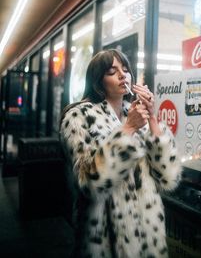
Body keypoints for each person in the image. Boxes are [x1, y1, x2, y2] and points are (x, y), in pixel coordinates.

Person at [60, 49, 182, 258]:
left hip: (148, 239)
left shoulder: (137, 113)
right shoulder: (78, 116)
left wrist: (152, 118)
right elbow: (90, 182)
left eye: (125, 70)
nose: (122, 75)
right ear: (98, 80)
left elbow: (168, 177)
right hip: (105, 239)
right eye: (112, 71)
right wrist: (127, 129)